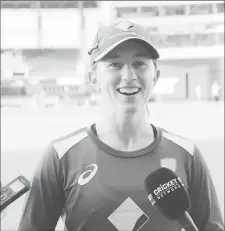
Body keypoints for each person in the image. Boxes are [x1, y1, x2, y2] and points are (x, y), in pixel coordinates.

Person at [18, 21, 224, 231]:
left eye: (140, 63)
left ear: (156, 75)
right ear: (93, 78)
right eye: (115, 65)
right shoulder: (61, 157)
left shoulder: (187, 155)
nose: (129, 76)